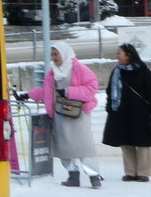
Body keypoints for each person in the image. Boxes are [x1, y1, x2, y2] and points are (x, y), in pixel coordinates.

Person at [18, 40, 102, 188]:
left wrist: (69, 91)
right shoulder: (52, 73)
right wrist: (28, 94)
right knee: (63, 147)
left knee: (83, 147)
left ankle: (93, 176)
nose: (54, 57)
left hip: (78, 115)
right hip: (60, 115)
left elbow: (92, 87)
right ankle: (73, 176)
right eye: (52, 54)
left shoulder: (78, 68)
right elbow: (47, 92)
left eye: (56, 54)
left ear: (64, 53)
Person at [102, 43, 151, 182]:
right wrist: (110, 107)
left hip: (140, 113)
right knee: (125, 141)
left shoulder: (142, 71)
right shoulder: (117, 71)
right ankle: (130, 172)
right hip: (121, 113)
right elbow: (110, 91)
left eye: (119, 53)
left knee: (142, 142)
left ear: (128, 55)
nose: (117, 56)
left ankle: (143, 172)